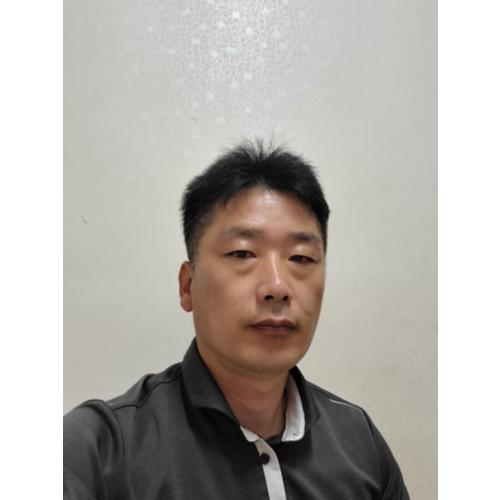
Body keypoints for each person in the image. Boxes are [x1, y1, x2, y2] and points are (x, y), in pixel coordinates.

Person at [64, 140, 410, 499]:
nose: (277, 287)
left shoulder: (359, 442)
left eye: (301, 257)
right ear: (187, 285)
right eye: (243, 253)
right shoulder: (97, 451)